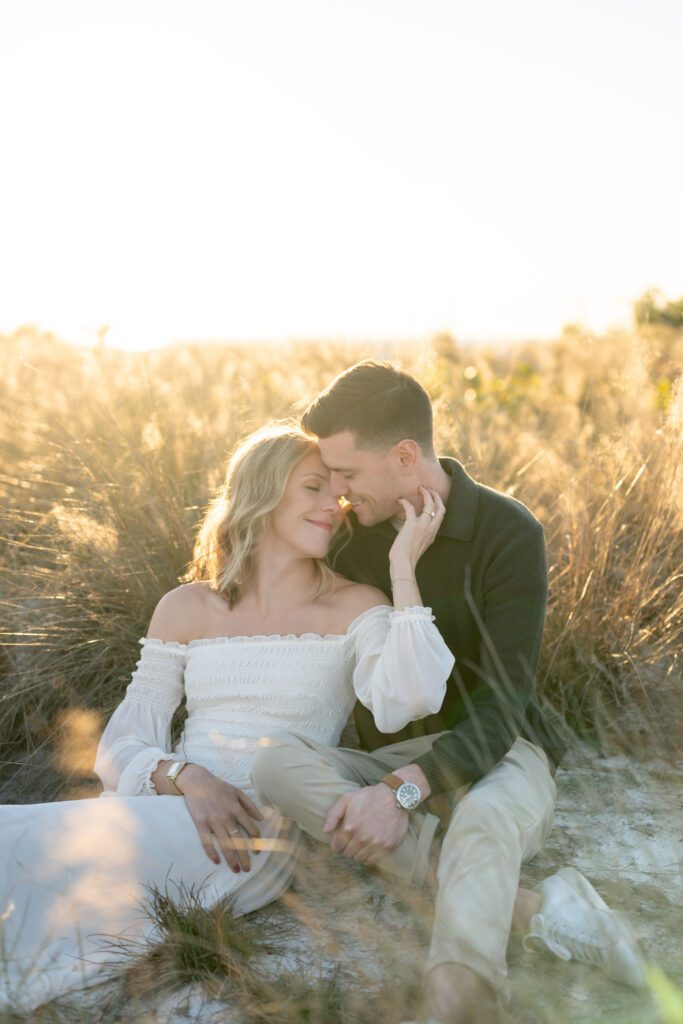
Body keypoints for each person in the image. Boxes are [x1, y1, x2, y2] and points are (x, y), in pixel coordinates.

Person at [0, 422, 457, 1014]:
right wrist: (187, 777)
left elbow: (410, 697)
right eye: (313, 488)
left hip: (251, 835)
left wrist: (402, 573)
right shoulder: (188, 606)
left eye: (337, 495)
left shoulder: (353, 606)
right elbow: (121, 745)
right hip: (168, 806)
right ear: (262, 496)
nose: (333, 507)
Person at [249, 363, 646, 1024]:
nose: (337, 491)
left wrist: (401, 792)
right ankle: (535, 908)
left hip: (501, 749)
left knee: (481, 820)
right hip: (393, 756)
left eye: (346, 473)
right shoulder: (351, 540)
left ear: (405, 456)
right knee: (275, 764)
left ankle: (454, 1003)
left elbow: (502, 707)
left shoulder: (506, 532)